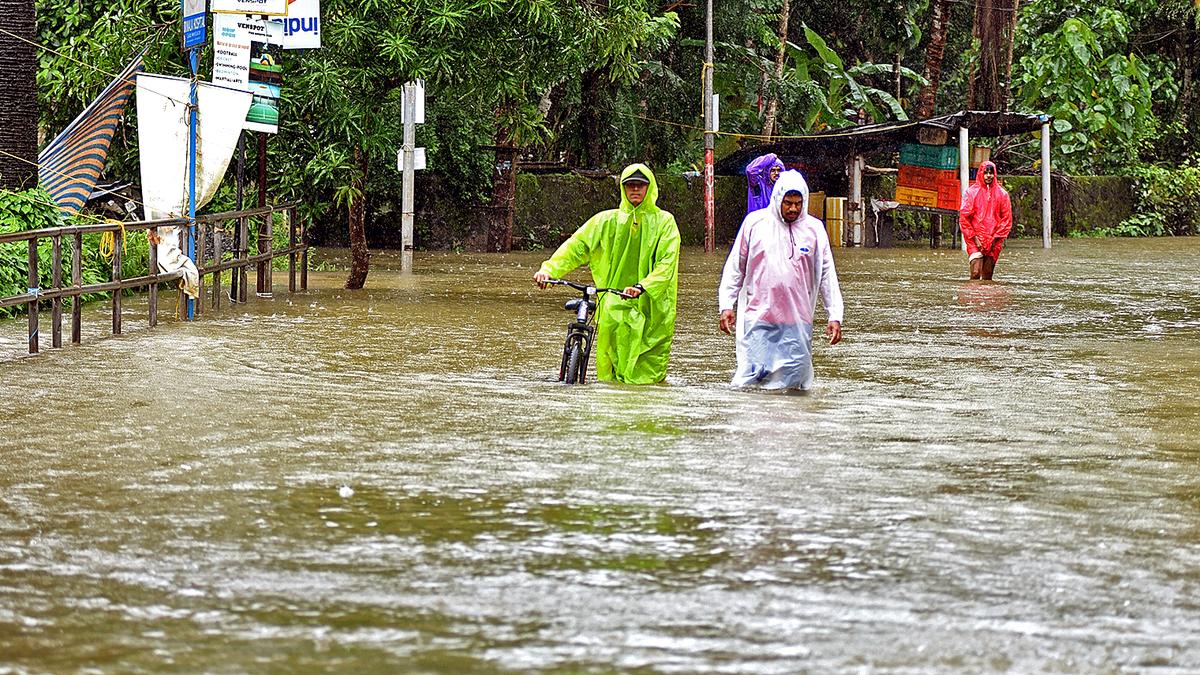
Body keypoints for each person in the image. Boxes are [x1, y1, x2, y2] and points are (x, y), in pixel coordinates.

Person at [533, 163, 681, 384]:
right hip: (613, 303)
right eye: (630, 185)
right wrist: (548, 270)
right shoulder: (605, 221)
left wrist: (643, 287)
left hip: (652, 306)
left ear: (650, 188)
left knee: (647, 373)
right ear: (622, 188)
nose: (635, 190)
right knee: (608, 373)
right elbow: (576, 247)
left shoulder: (665, 223)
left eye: (641, 185)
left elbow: (666, 264)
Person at [718, 170, 844, 391]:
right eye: (788, 203)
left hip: (797, 322)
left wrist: (835, 315)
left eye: (798, 203)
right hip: (759, 318)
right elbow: (735, 267)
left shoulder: (815, 230)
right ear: (777, 199)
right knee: (752, 381)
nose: (793, 208)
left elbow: (827, 274)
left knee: (795, 385)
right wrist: (726, 305)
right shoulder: (754, 224)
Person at [959, 160, 1012, 280]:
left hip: (995, 239)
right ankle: (972, 297)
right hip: (974, 239)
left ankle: (986, 297)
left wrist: (995, 239)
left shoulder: (1002, 194)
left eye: (991, 173)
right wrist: (974, 237)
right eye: (986, 173)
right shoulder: (971, 193)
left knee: (987, 275)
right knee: (976, 272)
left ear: (995, 174)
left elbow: (1007, 220)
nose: (989, 175)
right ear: (981, 174)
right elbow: (964, 218)